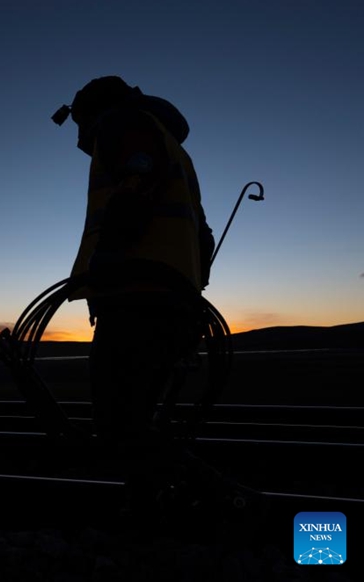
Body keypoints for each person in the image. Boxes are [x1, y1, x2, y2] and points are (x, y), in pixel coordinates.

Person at [57, 76, 242, 518]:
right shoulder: (170, 145)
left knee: (117, 422)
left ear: (93, 114)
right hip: (170, 299)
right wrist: (190, 285)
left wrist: (110, 254)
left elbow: (137, 183)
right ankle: (147, 506)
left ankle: (228, 500)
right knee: (138, 418)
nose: (80, 138)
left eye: (81, 125)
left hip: (137, 296)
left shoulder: (125, 125)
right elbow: (202, 233)